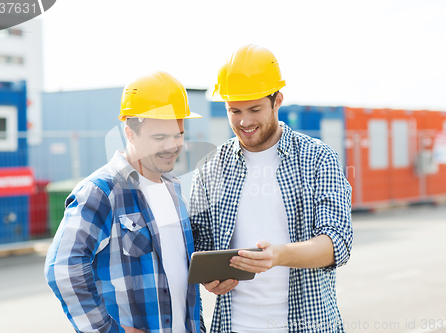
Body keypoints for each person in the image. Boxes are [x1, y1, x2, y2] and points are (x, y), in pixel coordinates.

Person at [190, 45, 353, 333]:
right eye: (234, 111)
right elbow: (199, 245)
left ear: (277, 100)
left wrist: (278, 255)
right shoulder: (211, 167)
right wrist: (209, 279)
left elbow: (336, 244)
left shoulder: (319, 159)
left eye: (255, 109)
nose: (244, 121)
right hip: (234, 326)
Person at [45, 71, 204, 333]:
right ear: (130, 133)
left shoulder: (174, 187)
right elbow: (62, 268)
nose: (172, 146)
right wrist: (108, 330)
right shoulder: (101, 192)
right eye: (159, 137)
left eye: (178, 134)